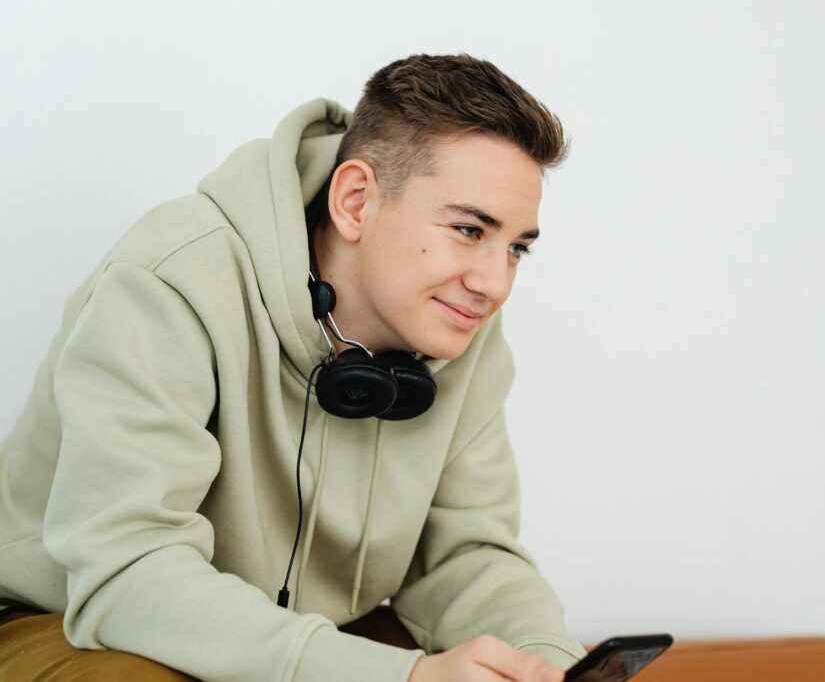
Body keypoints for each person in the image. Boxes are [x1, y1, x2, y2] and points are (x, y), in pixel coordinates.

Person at [0, 53, 584, 682]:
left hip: (311, 631)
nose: (495, 284)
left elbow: (466, 557)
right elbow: (126, 571)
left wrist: (547, 663)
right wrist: (403, 677)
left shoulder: (458, 325)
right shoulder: (169, 281)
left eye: (518, 248)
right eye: (470, 230)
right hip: (73, 618)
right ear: (356, 201)